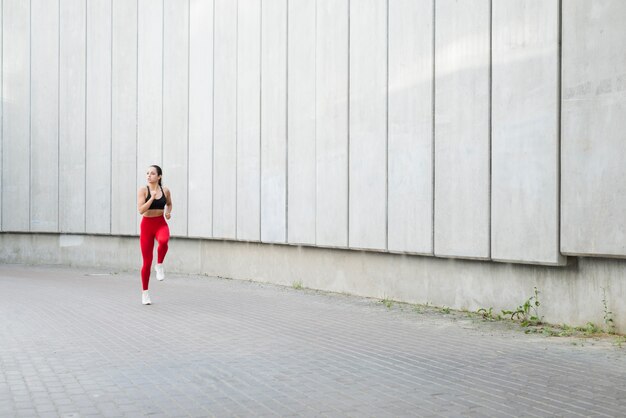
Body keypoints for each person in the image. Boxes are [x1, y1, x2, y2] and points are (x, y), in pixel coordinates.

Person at [137, 165, 172, 305]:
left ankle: (160, 264)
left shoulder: (166, 190)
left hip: (160, 223)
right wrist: (151, 198)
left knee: (164, 241)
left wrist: (168, 212)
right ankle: (145, 293)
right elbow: (140, 210)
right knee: (146, 262)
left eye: (152, 173)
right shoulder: (143, 190)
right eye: (147, 173)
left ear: (159, 176)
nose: (149, 175)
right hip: (146, 226)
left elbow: (169, 204)